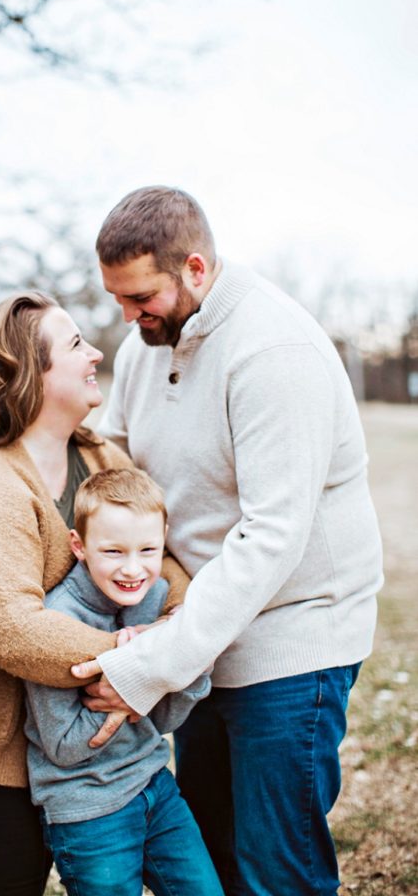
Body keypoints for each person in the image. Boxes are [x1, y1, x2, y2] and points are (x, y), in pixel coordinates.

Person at [72, 186, 384, 896]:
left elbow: (271, 535)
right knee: (209, 858)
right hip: (199, 631)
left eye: (140, 296)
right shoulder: (146, 341)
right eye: (116, 297)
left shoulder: (273, 352)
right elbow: (115, 461)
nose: (125, 315)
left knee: (276, 869)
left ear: (194, 268)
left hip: (290, 639)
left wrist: (151, 666)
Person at [0, 290, 189, 896]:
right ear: (29, 375)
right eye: (75, 344)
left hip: (56, 745)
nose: (97, 351)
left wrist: (174, 624)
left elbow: (164, 559)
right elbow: (13, 630)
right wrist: (139, 661)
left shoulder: (99, 457)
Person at [24, 467, 223, 896]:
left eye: (148, 549)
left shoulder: (156, 600)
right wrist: (133, 673)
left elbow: (163, 719)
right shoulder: (57, 621)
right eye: (113, 551)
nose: (133, 568)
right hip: (88, 812)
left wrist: (184, 667)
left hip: (155, 786)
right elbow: (62, 745)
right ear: (79, 546)